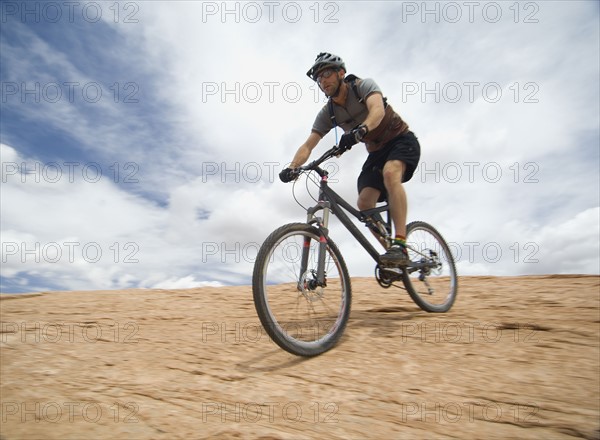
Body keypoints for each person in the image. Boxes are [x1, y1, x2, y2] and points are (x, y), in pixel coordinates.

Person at [279, 52, 421, 265]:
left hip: (401, 140)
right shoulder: (328, 113)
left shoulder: (363, 86)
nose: (323, 80)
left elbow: (377, 111)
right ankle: (394, 257)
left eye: (326, 73)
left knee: (391, 173)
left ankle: (400, 244)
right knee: (364, 203)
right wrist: (293, 167)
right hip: (376, 153)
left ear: (341, 73)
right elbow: (309, 144)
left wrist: (360, 129)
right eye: (318, 78)